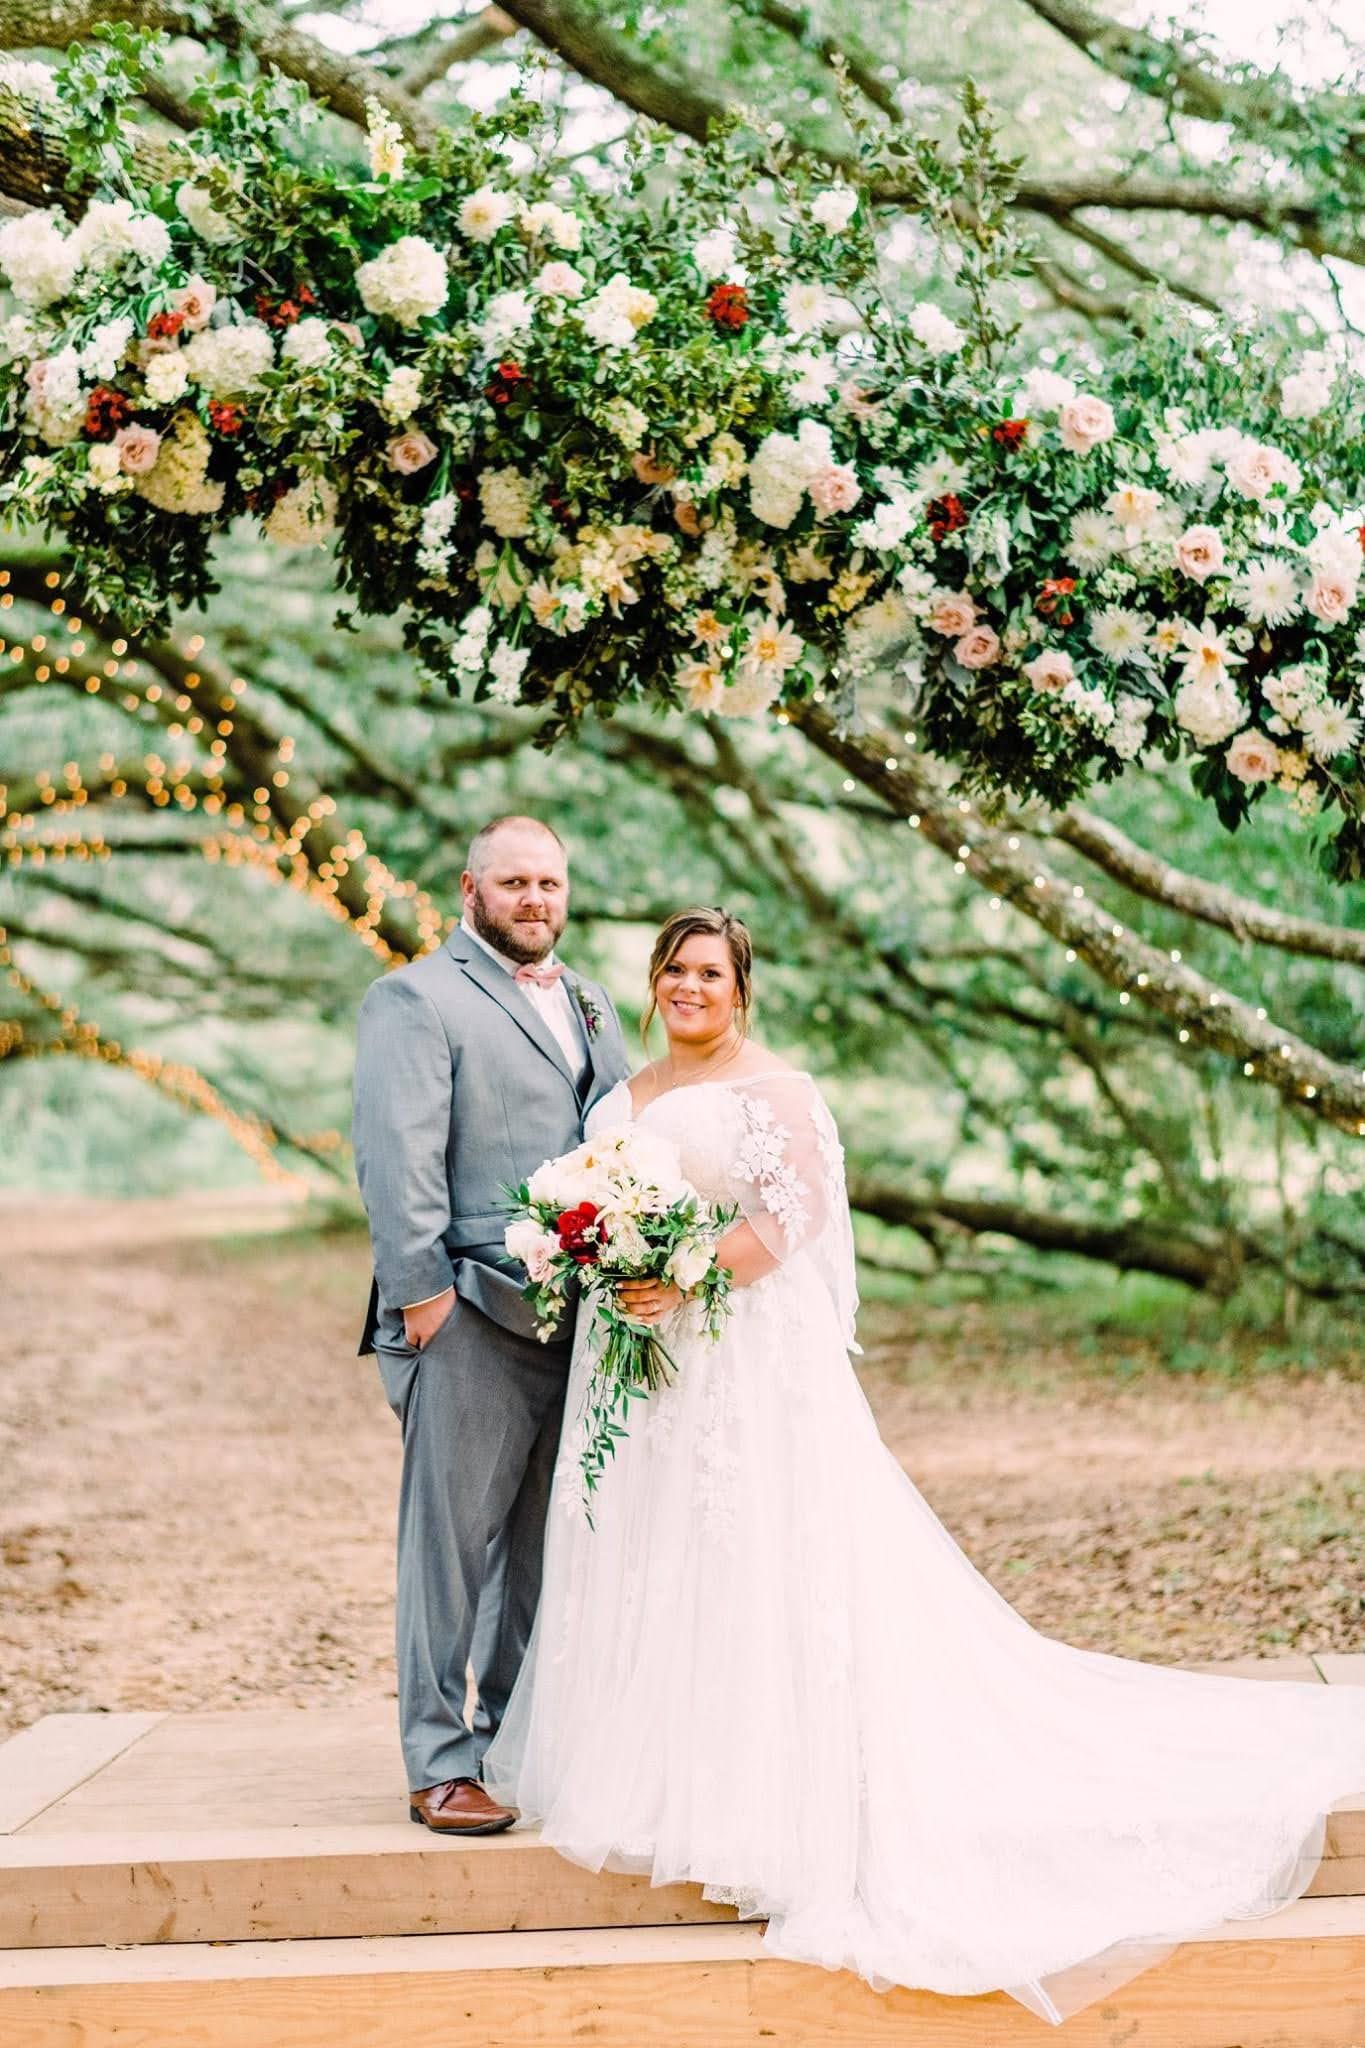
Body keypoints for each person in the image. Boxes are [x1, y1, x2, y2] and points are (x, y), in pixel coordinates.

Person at [483, 906, 1365, 2022]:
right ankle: (664, 1776)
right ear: (654, 982)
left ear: (741, 987)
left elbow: (792, 1219)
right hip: (642, 1366)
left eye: (709, 971)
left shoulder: (777, 1090)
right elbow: (603, 1203)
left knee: (753, 1557)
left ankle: (765, 1795)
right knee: (659, 1557)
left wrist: (684, 1276)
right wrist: (609, 1261)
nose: (689, 986)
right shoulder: (625, 1093)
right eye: (674, 970)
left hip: (739, 1364)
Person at [352, 816, 629, 1834]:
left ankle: (509, 1739)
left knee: (543, 1546)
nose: (534, 899)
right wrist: (423, 1298)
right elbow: (397, 1155)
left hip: (580, 1317)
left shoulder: (592, 1000)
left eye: (549, 882)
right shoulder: (415, 998)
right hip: (467, 1307)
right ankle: (437, 1762)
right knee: (450, 1548)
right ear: (471, 891)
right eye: (514, 882)